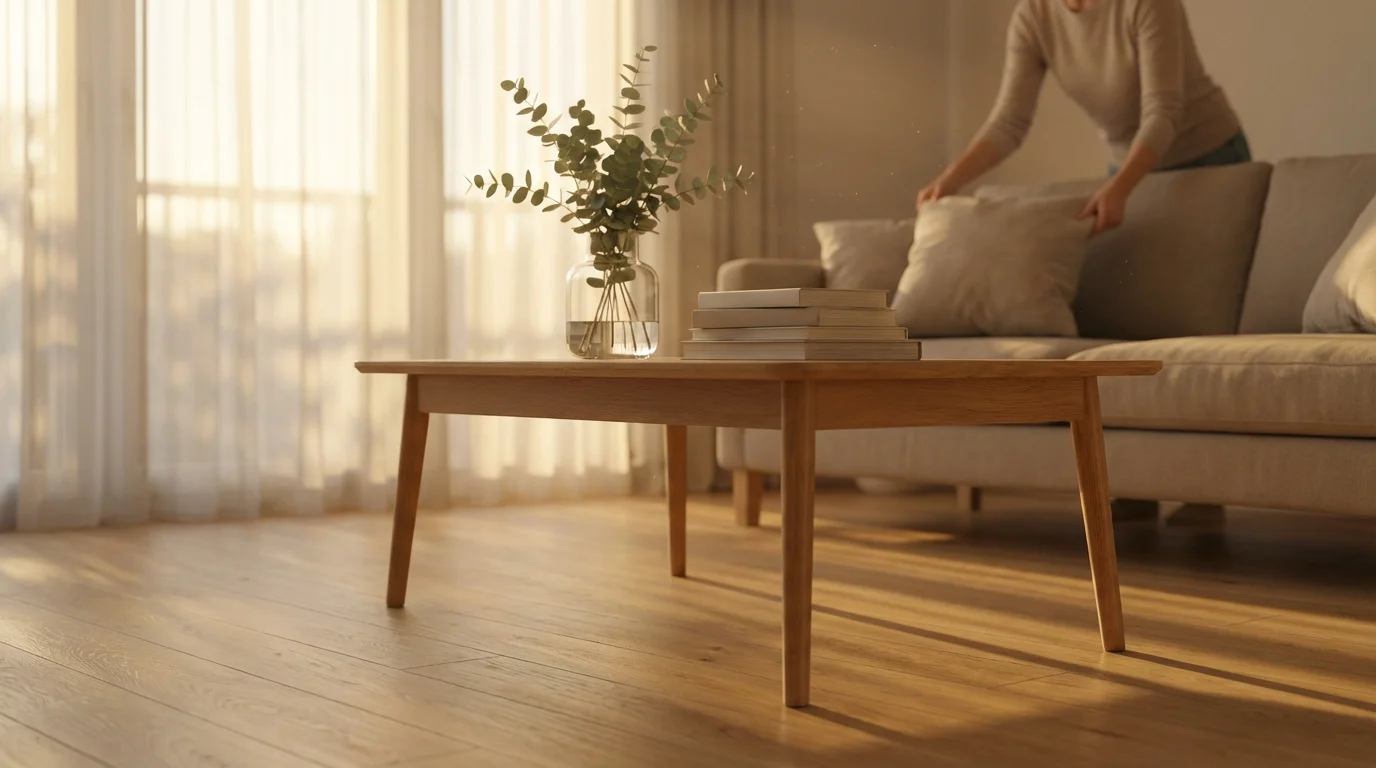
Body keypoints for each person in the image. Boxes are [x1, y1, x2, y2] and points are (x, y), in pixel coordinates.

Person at [918, 0, 1250, 235]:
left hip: (1208, 156)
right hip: (1126, 168)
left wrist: (1119, 188)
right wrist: (951, 180)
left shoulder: (1147, 4)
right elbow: (1009, 123)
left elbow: (1162, 112)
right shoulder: (1033, 17)